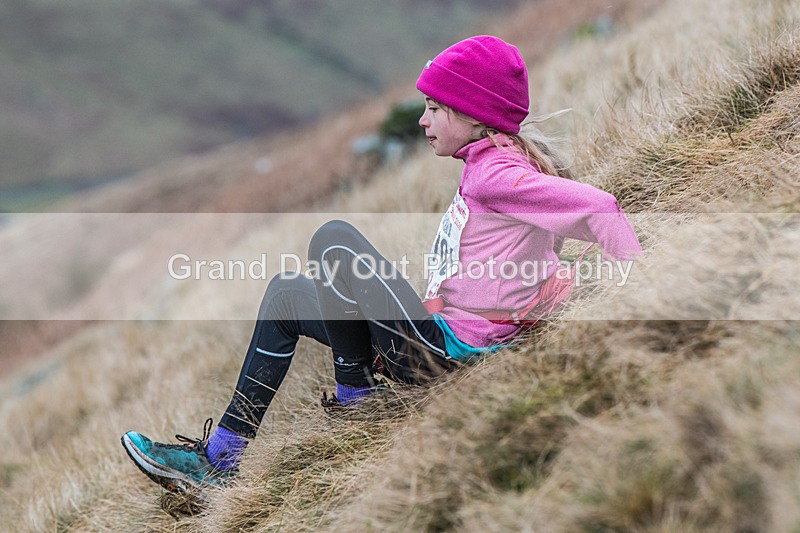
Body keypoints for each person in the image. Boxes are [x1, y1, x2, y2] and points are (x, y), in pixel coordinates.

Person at [121, 35, 642, 494]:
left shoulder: (494, 174)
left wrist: (641, 286)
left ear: (471, 112)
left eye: (434, 107)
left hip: (444, 355)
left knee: (335, 241)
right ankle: (218, 461)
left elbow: (599, 208)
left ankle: (357, 396)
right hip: (439, 334)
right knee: (285, 294)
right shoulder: (489, 165)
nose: (422, 120)